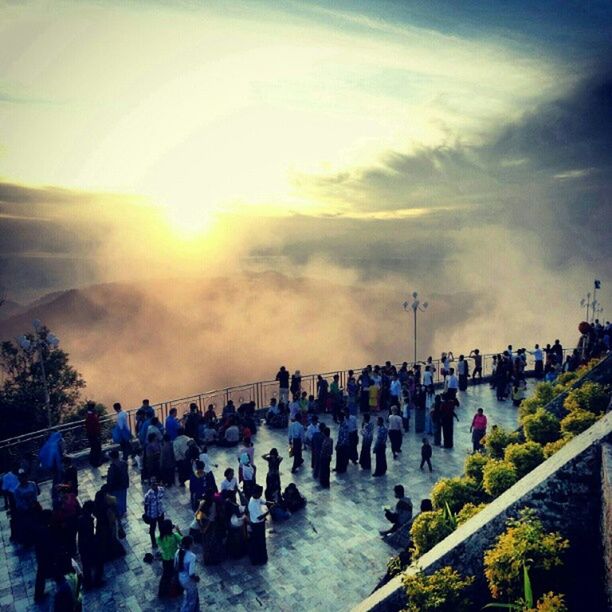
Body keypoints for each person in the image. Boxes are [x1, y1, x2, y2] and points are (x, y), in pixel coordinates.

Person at [77, 500, 104, 590]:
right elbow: (89, 535)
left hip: (83, 546)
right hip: (89, 545)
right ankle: (96, 580)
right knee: (97, 562)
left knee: (86, 565)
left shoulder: (81, 519)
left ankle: (88, 583)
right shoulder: (87, 520)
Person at [157, 519, 182, 598]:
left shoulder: (159, 538)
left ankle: (163, 591)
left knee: (166, 575)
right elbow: (183, 541)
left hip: (165, 559)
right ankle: (174, 591)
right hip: (174, 559)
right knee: (175, 575)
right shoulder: (175, 536)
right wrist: (178, 530)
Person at [175, 536, 199, 612]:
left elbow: (175, 566)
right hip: (189, 581)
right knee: (191, 599)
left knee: (189, 596)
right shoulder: (192, 556)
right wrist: (196, 578)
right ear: (191, 544)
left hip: (181, 578)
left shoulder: (177, 552)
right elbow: (191, 574)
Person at [247, 485, 269, 565]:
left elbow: (263, 502)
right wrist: (269, 511)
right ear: (256, 493)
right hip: (257, 525)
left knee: (261, 541)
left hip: (260, 524)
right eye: (260, 493)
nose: (261, 495)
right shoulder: (252, 503)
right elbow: (259, 517)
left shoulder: (257, 498)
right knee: (259, 542)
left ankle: (262, 558)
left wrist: (272, 503)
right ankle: (259, 559)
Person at [106, 449, 129, 518]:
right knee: (123, 499)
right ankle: (123, 511)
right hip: (124, 485)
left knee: (117, 501)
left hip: (116, 487)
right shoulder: (124, 463)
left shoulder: (112, 468)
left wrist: (109, 488)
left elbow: (110, 480)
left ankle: (118, 513)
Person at [144, 478, 165, 549]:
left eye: (155, 483)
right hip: (152, 515)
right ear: (150, 485)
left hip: (160, 512)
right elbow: (146, 505)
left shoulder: (161, 489)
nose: (155, 485)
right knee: (152, 529)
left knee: (161, 527)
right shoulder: (148, 495)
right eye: (153, 484)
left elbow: (161, 497)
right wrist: (147, 515)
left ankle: (162, 540)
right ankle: (153, 543)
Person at [85, 402, 102, 467]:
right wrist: (97, 435)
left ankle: (93, 462)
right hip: (94, 435)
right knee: (96, 448)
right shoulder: (91, 416)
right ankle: (95, 462)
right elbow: (94, 426)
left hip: (91, 435)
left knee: (93, 448)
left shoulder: (89, 415)